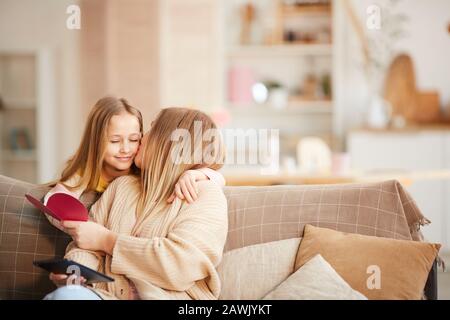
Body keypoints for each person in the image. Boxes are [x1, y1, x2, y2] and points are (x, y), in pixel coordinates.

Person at [45, 107, 228, 300]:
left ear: (167, 143)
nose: (142, 137)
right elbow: (86, 245)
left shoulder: (204, 194)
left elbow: (181, 264)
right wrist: (75, 272)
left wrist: (107, 240)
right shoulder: (121, 187)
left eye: (152, 128)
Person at [44, 97, 225, 231]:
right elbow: (58, 199)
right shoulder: (87, 171)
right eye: (115, 141)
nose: (126, 149)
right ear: (95, 142)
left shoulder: (141, 166)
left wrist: (197, 174)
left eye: (134, 139)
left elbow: (218, 178)